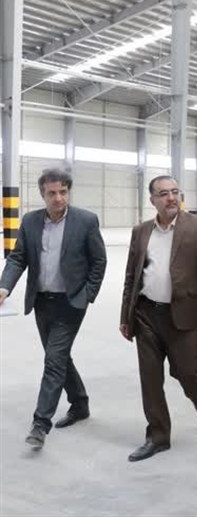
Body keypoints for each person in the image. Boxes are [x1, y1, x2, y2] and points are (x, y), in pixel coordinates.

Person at [0, 167, 107, 450]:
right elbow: (18, 257)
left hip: (71, 302)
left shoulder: (85, 221)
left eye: (63, 191)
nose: (58, 198)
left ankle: (40, 424)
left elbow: (99, 260)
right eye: (52, 193)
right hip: (42, 302)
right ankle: (80, 403)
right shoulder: (30, 221)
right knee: (58, 357)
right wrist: (4, 287)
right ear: (42, 194)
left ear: (68, 192)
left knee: (53, 360)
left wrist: (88, 294)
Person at [120, 175, 197, 462]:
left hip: (183, 314)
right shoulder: (141, 231)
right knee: (151, 380)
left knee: (188, 372)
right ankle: (158, 436)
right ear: (152, 200)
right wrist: (126, 316)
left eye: (175, 192)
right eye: (164, 193)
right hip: (145, 315)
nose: (171, 198)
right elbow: (131, 276)